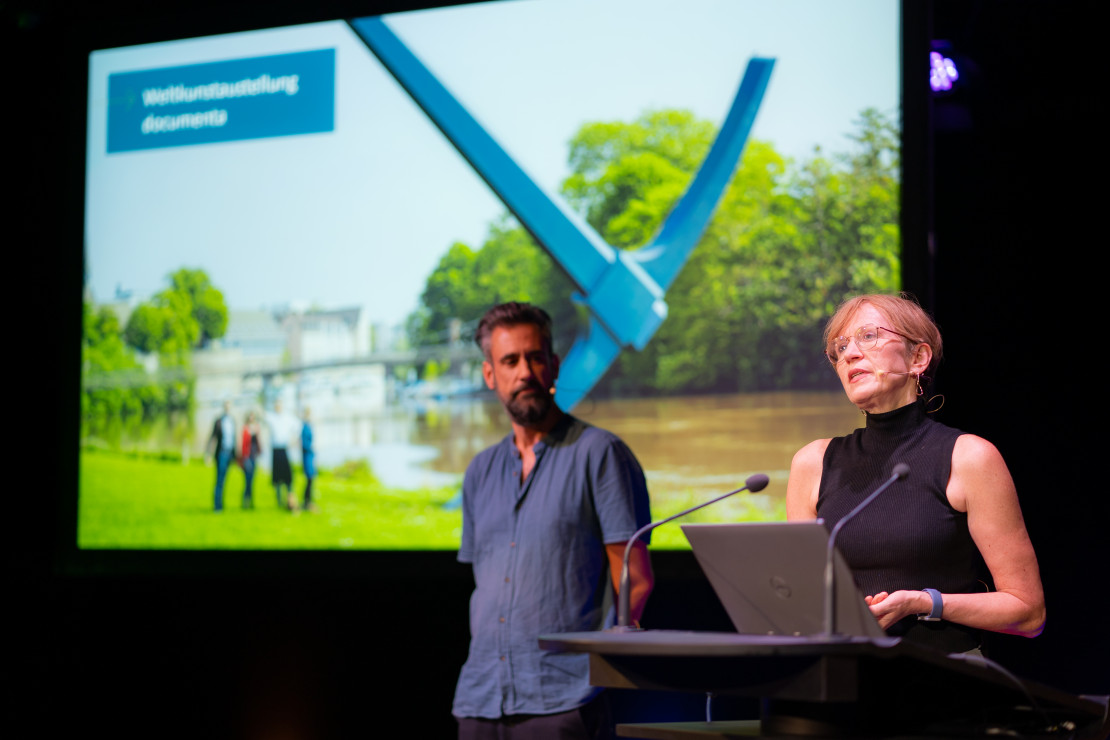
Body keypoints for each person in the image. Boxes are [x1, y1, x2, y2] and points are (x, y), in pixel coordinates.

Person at [786, 293, 1045, 654]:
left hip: (944, 673)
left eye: (868, 336)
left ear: (918, 358)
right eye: (840, 347)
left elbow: (1028, 612)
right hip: (842, 671)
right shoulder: (813, 462)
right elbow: (799, 598)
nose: (850, 354)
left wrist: (923, 602)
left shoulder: (969, 457)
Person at [452, 302, 654, 740]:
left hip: (565, 700)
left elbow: (635, 579)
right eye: (510, 361)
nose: (524, 372)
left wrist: (597, 673)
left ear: (554, 365)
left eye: (535, 358)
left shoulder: (600, 454)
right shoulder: (480, 471)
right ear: (490, 375)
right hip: (480, 699)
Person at [265, 398, 301, 511]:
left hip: (284, 449)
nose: (278, 407)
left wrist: (294, 440)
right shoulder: (271, 417)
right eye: (276, 405)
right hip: (275, 449)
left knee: (288, 476)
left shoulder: (287, 417)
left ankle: (289, 497)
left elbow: (298, 426)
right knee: (277, 478)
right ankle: (279, 500)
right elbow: (261, 416)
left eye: (279, 405)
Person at [206, 400, 236, 512]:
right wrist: (208, 454)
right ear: (224, 408)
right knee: (219, 479)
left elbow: (234, 439)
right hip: (221, 453)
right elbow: (213, 437)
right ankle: (217, 505)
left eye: (229, 406)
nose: (228, 408)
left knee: (225, 480)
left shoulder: (232, 421)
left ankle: (221, 504)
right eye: (226, 406)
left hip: (229, 453)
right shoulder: (219, 421)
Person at [239, 410, 261, 509]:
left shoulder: (256, 428)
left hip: (253, 456)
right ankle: (245, 501)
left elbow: (258, 443)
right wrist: (243, 457)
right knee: (247, 480)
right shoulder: (245, 429)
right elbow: (243, 444)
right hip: (247, 457)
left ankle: (251, 502)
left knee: (252, 480)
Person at [299, 407, 318, 513]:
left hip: (309, 456)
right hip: (307, 456)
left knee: (310, 480)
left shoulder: (308, 426)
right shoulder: (305, 427)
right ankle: (307, 502)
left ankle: (308, 501)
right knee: (309, 479)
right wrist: (312, 448)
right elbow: (305, 444)